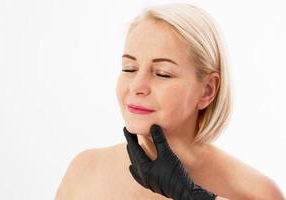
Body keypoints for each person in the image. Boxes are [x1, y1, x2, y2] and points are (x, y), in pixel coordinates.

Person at [55, 3, 285, 200]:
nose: (136, 86)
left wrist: (191, 195)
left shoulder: (256, 192)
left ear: (207, 90)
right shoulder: (86, 170)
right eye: (129, 68)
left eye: (162, 73)